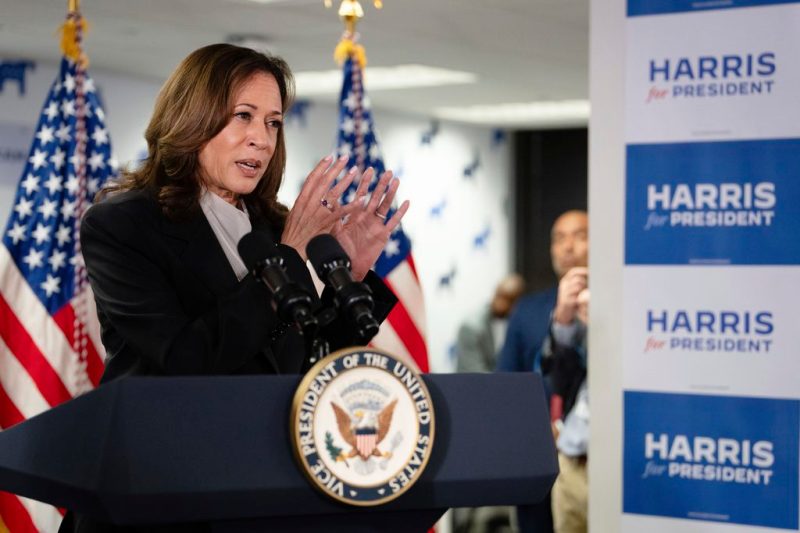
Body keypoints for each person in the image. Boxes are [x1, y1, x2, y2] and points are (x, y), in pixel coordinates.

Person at [59, 43, 408, 532]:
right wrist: (289, 257)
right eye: (243, 116)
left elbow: (310, 367)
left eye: (273, 123)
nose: (261, 140)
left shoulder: (276, 226)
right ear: (192, 117)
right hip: (154, 495)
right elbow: (185, 359)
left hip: (261, 491)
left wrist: (350, 273)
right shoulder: (123, 224)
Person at [495, 209, 588, 533]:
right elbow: (505, 384)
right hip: (538, 456)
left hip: (596, 458)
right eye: (559, 239)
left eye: (579, 236)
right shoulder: (528, 310)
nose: (568, 247)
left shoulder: (621, 304)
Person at [455, 273, 525, 373]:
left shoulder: (521, 327)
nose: (500, 304)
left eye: (508, 299)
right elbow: (475, 373)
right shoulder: (470, 327)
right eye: (499, 295)